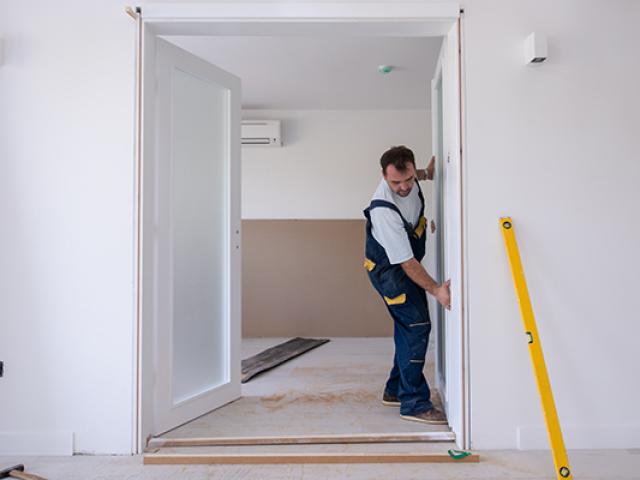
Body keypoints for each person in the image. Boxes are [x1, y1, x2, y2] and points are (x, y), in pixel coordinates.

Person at [363, 145, 451, 424]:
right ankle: (413, 402)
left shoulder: (412, 178)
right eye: (395, 182)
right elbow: (407, 263)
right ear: (383, 176)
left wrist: (427, 173)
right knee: (416, 327)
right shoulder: (383, 210)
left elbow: (417, 176)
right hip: (390, 272)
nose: (403, 187)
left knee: (407, 327)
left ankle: (394, 390)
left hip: (405, 266)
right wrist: (437, 289)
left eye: (409, 179)